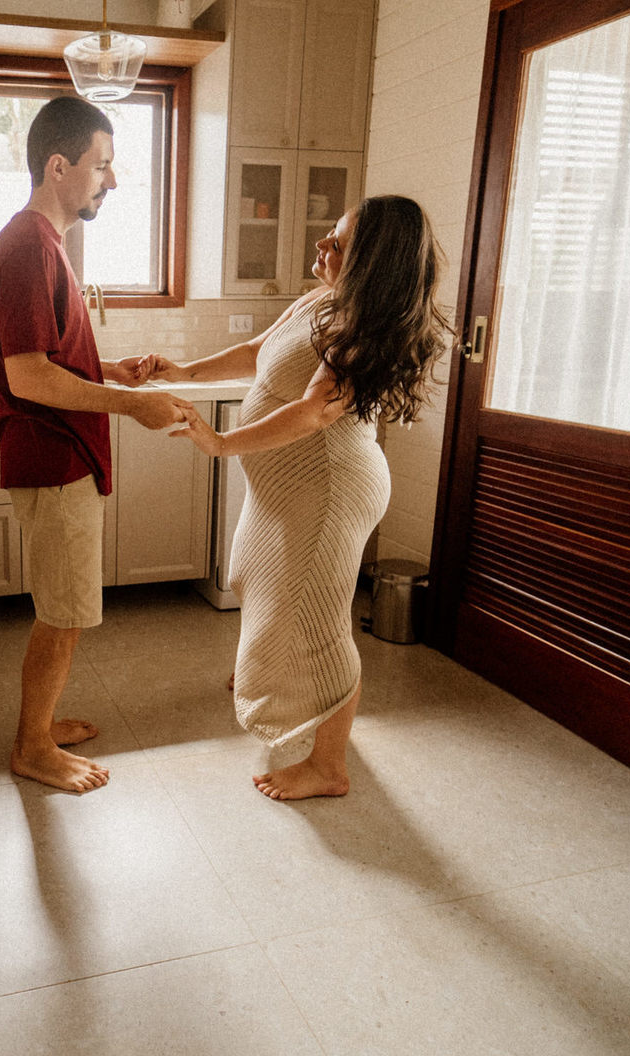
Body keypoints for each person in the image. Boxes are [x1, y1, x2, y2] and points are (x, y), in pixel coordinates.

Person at [145, 195, 448, 802]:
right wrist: (181, 372)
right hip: (287, 488)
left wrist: (220, 442)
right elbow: (256, 352)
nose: (321, 245)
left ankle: (329, 765)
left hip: (329, 489)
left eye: (338, 243)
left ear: (370, 264)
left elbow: (313, 412)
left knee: (319, 619)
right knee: (254, 578)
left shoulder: (365, 328)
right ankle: (266, 676)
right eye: (330, 234)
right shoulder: (318, 302)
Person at [0, 96, 183, 796]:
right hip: (55, 457)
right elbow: (29, 376)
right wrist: (133, 405)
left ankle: (40, 724)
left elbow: (53, 357)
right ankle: (32, 747)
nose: (113, 180)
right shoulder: (29, 246)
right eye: (102, 165)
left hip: (63, 456)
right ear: (58, 166)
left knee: (64, 609)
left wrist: (109, 372)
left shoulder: (46, 243)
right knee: (62, 616)